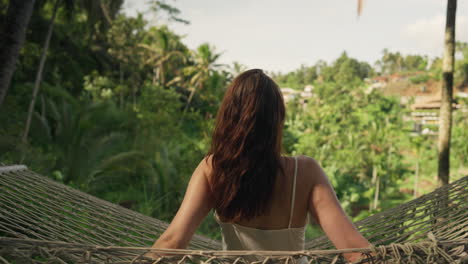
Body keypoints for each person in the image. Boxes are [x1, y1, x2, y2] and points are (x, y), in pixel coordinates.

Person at [149, 69, 370, 262]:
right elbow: (354, 251)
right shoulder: (305, 172)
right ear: (278, 119)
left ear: (228, 117)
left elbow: (173, 241)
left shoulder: (213, 169)